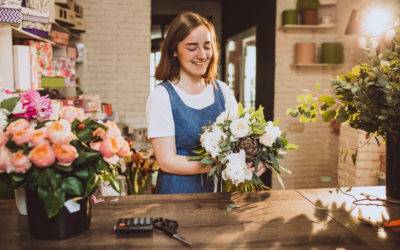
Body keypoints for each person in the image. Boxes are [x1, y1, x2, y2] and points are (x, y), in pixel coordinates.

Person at [146, 12, 265, 194]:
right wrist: (220, 163)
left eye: (207, 46)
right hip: (177, 196)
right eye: (192, 48)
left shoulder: (222, 91)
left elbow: (242, 140)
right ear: (174, 51)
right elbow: (167, 161)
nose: (202, 55)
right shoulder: (162, 96)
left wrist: (255, 159)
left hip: (218, 194)